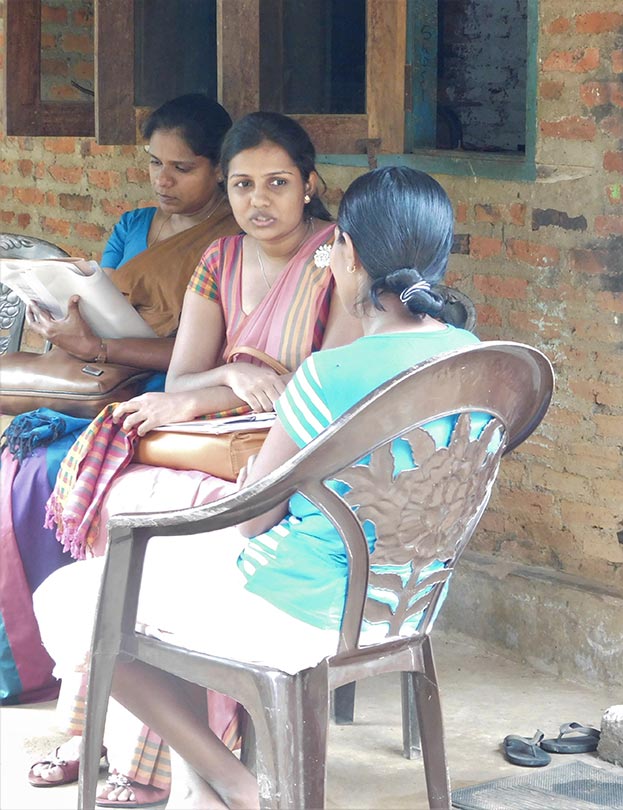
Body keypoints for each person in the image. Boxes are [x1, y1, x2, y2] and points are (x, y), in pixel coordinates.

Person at [35, 165, 478, 809]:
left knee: (74, 602)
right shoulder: (479, 357)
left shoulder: (329, 374)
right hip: (404, 608)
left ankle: (240, 786)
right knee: (148, 590)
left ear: (344, 254)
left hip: (294, 610)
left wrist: (255, 483)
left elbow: (250, 519)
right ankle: (208, 788)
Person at [30, 111, 360, 808]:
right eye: (242, 185)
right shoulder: (221, 259)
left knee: (195, 526)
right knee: (118, 509)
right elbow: (182, 382)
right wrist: (233, 380)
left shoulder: (338, 260)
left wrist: (228, 388)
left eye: (277, 183)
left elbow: (327, 391)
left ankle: (166, 762)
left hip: (287, 462)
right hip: (213, 438)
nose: (257, 201)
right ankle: (105, 737)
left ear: (309, 185)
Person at [1, 93, 238, 707]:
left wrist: (103, 347)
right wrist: (61, 316)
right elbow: (98, 309)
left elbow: (201, 354)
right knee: (13, 466)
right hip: (96, 382)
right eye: (154, 163)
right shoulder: (133, 227)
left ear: (218, 169)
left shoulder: (233, 244)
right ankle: (24, 652)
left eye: (182, 167)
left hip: (164, 394)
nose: (164, 179)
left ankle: (64, 655)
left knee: (49, 475)